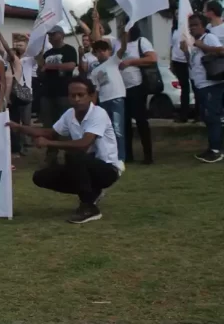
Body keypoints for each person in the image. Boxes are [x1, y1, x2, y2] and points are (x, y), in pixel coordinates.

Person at [8, 77, 122, 224]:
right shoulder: (70, 114)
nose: (76, 99)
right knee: (40, 177)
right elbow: (50, 132)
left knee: (75, 156)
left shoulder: (98, 114)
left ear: (92, 96)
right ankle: (92, 192)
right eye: (72, 95)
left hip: (108, 170)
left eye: (81, 95)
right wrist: (19, 128)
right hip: (86, 167)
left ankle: (89, 208)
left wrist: (48, 143)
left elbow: (84, 144)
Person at [185, 13, 224, 163]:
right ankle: (212, 147)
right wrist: (185, 52)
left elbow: (221, 51)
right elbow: (195, 63)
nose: (192, 28)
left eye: (195, 25)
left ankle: (216, 150)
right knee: (207, 117)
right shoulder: (196, 42)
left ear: (203, 26)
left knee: (213, 117)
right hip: (201, 85)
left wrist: (203, 46)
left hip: (211, 85)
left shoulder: (208, 38)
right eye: (191, 26)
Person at [39, 25, 78, 164]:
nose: (50, 37)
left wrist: (51, 67)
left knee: (67, 124)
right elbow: (41, 69)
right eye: (49, 35)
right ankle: (51, 154)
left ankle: (70, 154)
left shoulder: (69, 50)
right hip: (48, 93)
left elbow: (72, 65)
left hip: (63, 93)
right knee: (49, 125)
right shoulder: (47, 53)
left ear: (61, 35)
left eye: (53, 34)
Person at [119, 22, 156, 164]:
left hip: (137, 86)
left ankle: (148, 155)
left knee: (141, 121)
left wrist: (131, 62)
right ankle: (128, 155)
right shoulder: (118, 44)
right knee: (125, 123)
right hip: (122, 88)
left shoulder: (141, 42)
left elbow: (152, 58)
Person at [89, 35, 128, 163]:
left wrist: (125, 36)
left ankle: (120, 157)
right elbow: (96, 90)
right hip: (104, 100)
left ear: (109, 51)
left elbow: (123, 49)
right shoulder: (95, 72)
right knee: (107, 130)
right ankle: (110, 156)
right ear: (95, 54)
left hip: (116, 98)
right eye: (98, 51)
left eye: (103, 50)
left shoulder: (113, 61)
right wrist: (92, 107)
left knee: (118, 129)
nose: (101, 53)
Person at [0, 28, 32, 155]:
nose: (9, 54)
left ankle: (21, 147)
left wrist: (0, 33)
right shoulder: (7, 64)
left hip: (17, 96)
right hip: (8, 97)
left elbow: (5, 49)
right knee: (13, 123)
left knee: (21, 122)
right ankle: (15, 148)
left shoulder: (16, 62)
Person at [170, 11, 194, 122]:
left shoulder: (189, 28)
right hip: (177, 61)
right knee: (184, 87)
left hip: (187, 60)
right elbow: (172, 46)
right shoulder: (174, 29)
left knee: (194, 86)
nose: (177, 15)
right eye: (176, 14)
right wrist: (171, 61)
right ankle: (183, 114)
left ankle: (197, 113)